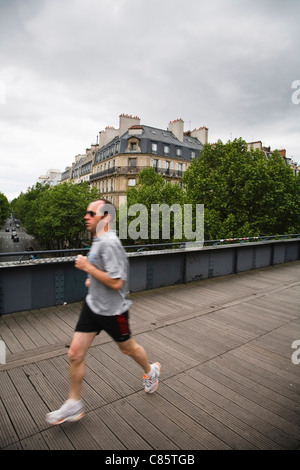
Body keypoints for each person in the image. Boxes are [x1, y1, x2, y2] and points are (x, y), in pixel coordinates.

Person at [46, 199, 160, 425]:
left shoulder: (110, 243)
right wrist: (92, 280)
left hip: (113, 311)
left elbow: (117, 282)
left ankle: (151, 371)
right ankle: (74, 404)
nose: (86, 216)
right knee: (74, 354)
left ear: (105, 217)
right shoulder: (98, 240)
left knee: (128, 349)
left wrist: (87, 268)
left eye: (91, 213)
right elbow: (103, 271)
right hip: (93, 306)